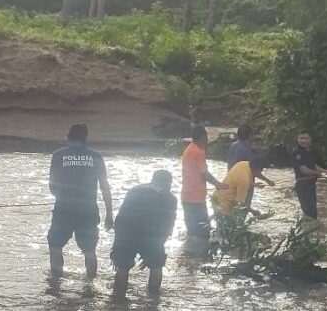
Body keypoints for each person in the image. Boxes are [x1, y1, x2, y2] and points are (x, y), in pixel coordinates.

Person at [47, 123, 113, 278]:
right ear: (86, 138)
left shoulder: (58, 155)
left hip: (63, 209)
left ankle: (56, 282)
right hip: (88, 210)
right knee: (89, 250)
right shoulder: (96, 156)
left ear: (68, 137)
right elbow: (105, 186)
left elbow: (52, 186)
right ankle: (90, 284)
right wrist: (109, 214)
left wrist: (63, 197)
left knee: (55, 245)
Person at [111, 170, 178, 298]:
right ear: (167, 183)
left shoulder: (135, 190)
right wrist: (156, 249)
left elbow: (121, 217)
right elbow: (168, 226)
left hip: (126, 232)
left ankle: (118, 298)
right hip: (152, 234)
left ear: (153, 180)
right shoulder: (170, 198)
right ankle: (153, 300)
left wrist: (117, 240)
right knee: (156, 266)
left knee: (122, 266)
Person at [182, 125, 226, 243]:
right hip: (195, 199)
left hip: (187, 197)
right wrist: (218, 184)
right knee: (203, 233)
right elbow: (204, 174)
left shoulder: (189, 149)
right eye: (206, 137)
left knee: (192, 233)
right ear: (202, 137)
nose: (207, 140)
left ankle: (190, 258)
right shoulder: (197, 152)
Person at [226, 124, 275, 208]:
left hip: (230, 181)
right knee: (242, 208)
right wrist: (268, 181)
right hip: (245, 184)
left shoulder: (233, 146)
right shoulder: (247, 150)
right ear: (250, 135)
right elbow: (254, 171)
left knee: (232, 208)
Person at [292, 133, 327, 221]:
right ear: (297, 139)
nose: (303, 140)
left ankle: (311, 231)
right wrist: (316, 173)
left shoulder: (309, 151)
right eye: (301, 138)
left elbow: (312, 165)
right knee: (309, 212)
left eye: (305, 138)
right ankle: (306, 231)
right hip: (303, 184)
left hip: (310, 184)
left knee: (313, 212)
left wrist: (325, 171)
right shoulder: (297, 152)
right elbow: (303, 169)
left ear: (310, 140)